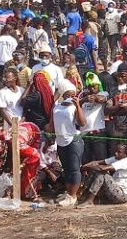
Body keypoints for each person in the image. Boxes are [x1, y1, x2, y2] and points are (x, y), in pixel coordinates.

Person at [49, 79, 87, 207]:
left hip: (73, 141)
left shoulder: (74, 108)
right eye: (68, 95)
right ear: (63, 94)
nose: (70, 97)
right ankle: (68, 192)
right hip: (61, 141)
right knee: (67, 169)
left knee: (75, 169)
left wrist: (78, 106)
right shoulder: (56, 107)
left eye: (73, 95)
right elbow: (51, 126)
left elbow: (82, 123)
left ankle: (73, 195)